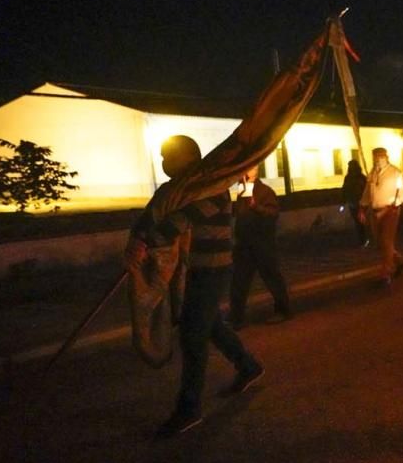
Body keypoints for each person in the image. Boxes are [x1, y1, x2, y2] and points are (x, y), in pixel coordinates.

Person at [125, 135, 264, 437]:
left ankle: (189, 409)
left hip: (211, 270)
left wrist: (148, 241)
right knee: (210, 324)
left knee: (192, 335)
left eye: (168, 156)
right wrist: (138, 237)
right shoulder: (174, 191)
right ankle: (249, 366)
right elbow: (154, 214)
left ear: (188, 158)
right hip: (188, 272)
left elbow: (181, 220)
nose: (163, 163)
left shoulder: (211, 188)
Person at [228, 166, 292, 328]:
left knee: (272, 278)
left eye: (251, 168)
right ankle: (236, 317)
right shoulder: (241, 189)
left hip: (262, 243)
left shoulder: (264, 191)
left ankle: (283, 310)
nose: (246, 171)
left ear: (256, 171)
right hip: (244, 244)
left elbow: (273, 213)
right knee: (239, 281)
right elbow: (238, 213)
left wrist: (257, 207)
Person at [359, 147, 403, 286]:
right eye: (376, 157)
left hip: (390, 211)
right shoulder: (372, 173)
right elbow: (367, 193)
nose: (378, 159)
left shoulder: (395, 173)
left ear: (386, 157)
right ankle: (399, 260)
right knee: (380, 242)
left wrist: (397, 202)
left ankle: (386, 273)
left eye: (381, 156)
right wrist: (362, 208)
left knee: (386, 240)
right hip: (375, 212)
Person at [341, 159, 368, 245]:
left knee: (361, 222)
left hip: (360, 203)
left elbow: (365, 190)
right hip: (353, 203)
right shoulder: (349, 177)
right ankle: (362, 239)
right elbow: (345, 189)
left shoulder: (360, 177)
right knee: (358, 222)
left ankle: (364, 239)